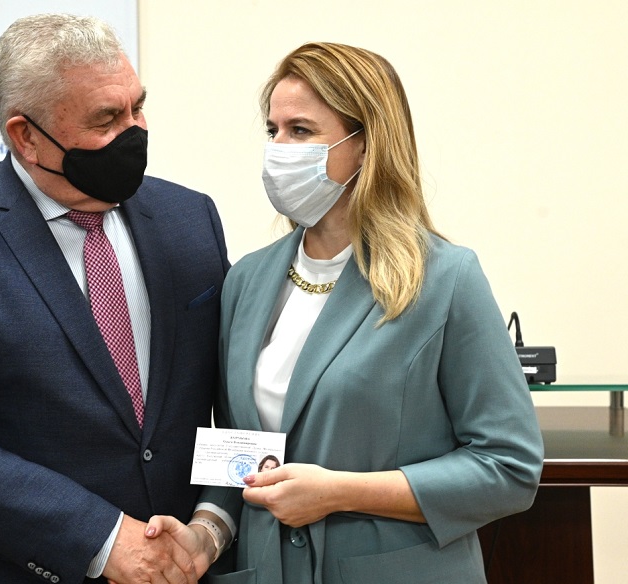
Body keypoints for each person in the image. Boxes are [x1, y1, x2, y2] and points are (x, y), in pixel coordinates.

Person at [146, 42, 544, 583]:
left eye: (301, 131)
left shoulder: (445, 278)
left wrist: (340, 492)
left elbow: (508, 468)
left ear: (365, 145)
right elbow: (244, 454)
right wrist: (205, 534)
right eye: (273, 130)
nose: (278, 149)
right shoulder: (246, 280)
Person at [0, 13, 229, 584]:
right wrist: (102, 539)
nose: (134, 132)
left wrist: (213, 525)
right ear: (27, 136)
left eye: (137, 108)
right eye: (106, 119)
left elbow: (232, 403)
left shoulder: (190, 219)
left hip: (183, 567)